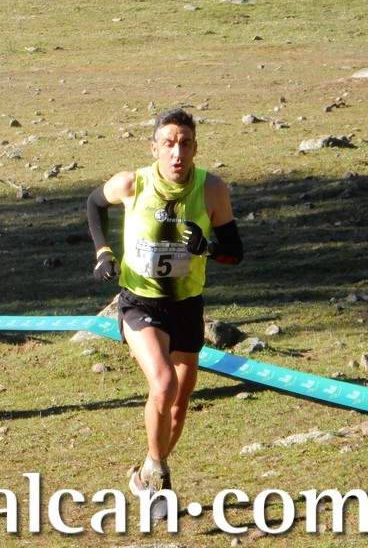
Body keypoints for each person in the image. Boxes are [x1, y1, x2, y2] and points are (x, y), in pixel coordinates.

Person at [86, 108, 243, 520]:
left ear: (195, 148)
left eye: (185, 144)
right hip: (140, 302)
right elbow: (94, 203)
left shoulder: (212, 189)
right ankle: (158, 477)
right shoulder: (131, 183)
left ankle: (143, 473)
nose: (177, 152)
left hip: (187, 304)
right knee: (164, 383)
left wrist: (207, 248)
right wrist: (103, 251)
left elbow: (235, 253)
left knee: (179, 402)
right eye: (169, 144)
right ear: (154, 148)